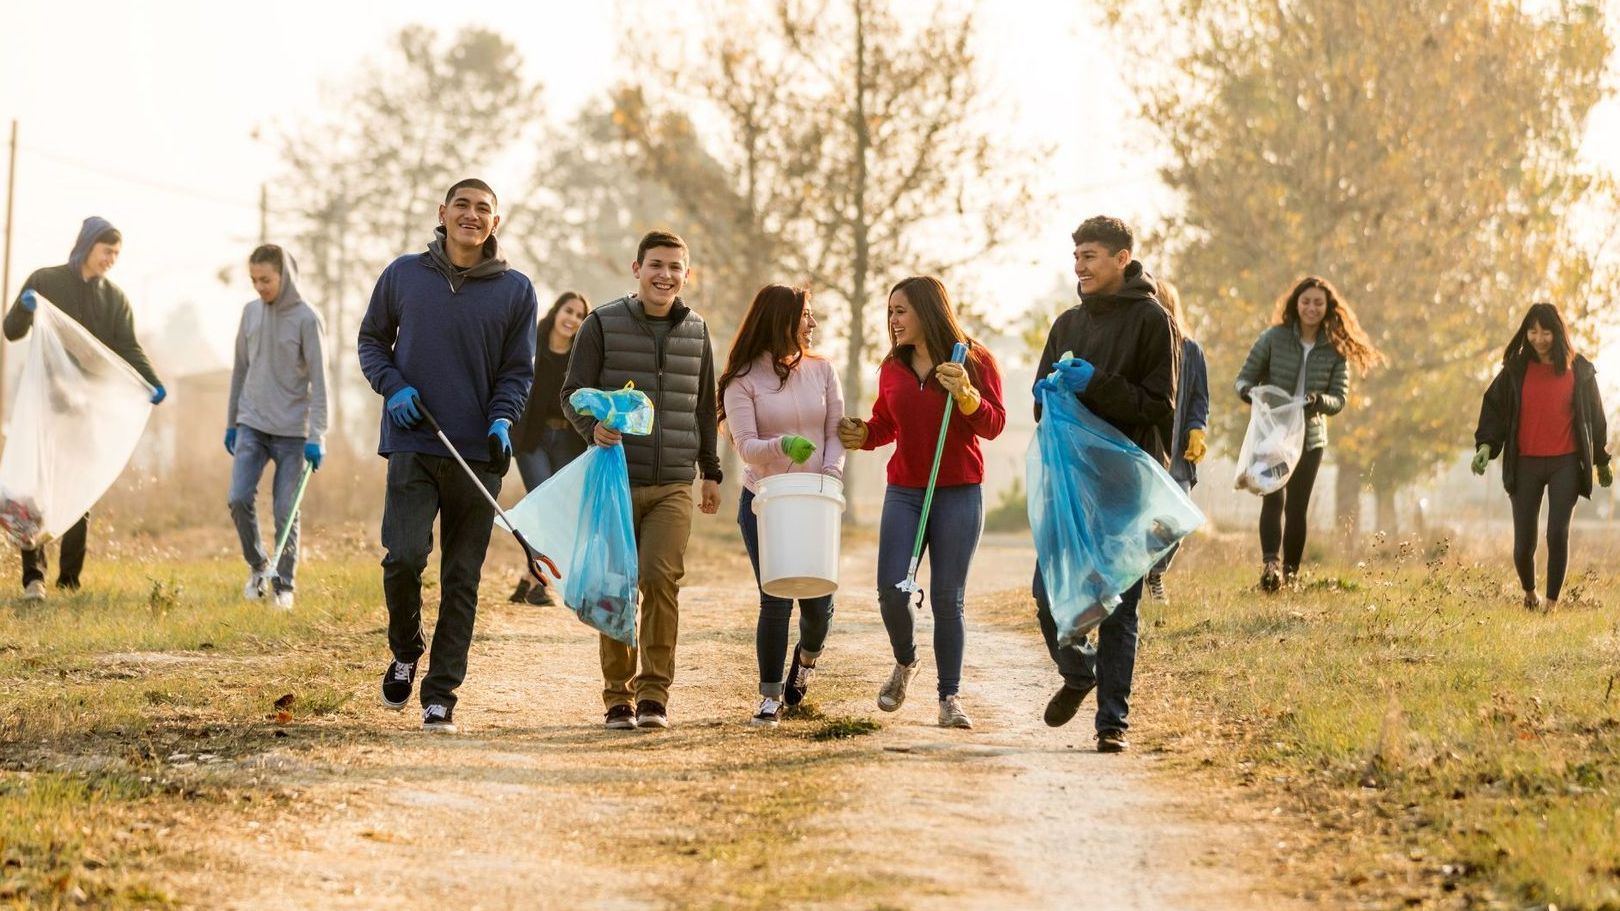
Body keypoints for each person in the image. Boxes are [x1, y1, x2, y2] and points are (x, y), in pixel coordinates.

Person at [357, 179, 538, 734]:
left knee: (462, 577)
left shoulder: (515, 290)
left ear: (495, 223)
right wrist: (393, 386)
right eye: (462, 205)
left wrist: (503, 417)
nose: (471, 215)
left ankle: (441, 694)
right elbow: (371, 341)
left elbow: (518, 370)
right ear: (442, 213)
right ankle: (406, 650)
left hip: (478, 454)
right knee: (405, 557)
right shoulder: (404, 275)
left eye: (483, 208)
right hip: (413, 442)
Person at [561, 230, 722, 731]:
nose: (665, 275)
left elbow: (702, 407)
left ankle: (653, 695)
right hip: (614, 479)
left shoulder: (697, 330)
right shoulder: (602, 324)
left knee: (659, 579)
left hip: (673, 482)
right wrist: (594, 427)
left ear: (686, 274)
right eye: (656, 265)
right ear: (637, 269)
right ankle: (617, 697)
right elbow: (571, 394)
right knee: (616, 586)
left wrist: (710, 472)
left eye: (675, 267)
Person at [1030, 216, 1173, 753]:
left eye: (1090, 256)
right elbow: (1040, 403)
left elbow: (1160, 406)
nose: (1080, 266)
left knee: (1119, 605)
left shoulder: (1153, 322)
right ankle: (1078, 671)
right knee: (1048, 595)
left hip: (1127, 483)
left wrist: (1099, 384)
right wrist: (1047, 394)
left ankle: (1112, 723)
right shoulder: (1066, 324)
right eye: (1077, 257)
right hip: (1071, 484)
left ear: (1122, 258)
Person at [837, 276, 1005, 730]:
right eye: (890, 311)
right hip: (906, 491)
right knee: (892, 592)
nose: (892, 321)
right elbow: (885, 424)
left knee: (949, 600)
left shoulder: (974, 359)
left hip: (959, 492)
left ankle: (949, 697)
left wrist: (968, 397)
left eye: (901, 311)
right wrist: (863, 435)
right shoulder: (892, 367)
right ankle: (905, 662)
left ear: (929, 310)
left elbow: (994, 425)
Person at [3, 217, 166, 601]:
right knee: (34, 489)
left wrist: (151, 380)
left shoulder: (115, 299)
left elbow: (127, 346)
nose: (112, 259)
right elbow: (11, 331)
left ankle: (70, 580)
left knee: (79, 487)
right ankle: (33, 579)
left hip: (85, 407)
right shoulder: (45, 281)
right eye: (107, 251)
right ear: (87, 246)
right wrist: (27, 309)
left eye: (117, 253)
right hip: (44, 403)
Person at [719, 284, 845, 727]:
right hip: (766, 503)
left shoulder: (823, 370)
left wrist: (829, 476)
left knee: (818, 603)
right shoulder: (742, 381)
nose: (812, 324)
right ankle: (769, 697)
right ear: (781, 319)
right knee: (775, 598)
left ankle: (806, 663)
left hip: (817, 501)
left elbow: (834, 432)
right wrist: (781, 445)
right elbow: (747, 446)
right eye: (805, 315)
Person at [1236, 275, 1382, 591]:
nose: (1311, 308)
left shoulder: (1335, 350)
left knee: (1297, 506)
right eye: (1306, 301)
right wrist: (1250, 393)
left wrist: (1318, 402)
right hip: (1273, 433)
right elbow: (1243, 378)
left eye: (1318, 302)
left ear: (1328, 307)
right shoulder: (1273, 338)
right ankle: (1270, 566)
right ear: (1296, 304)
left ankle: (1291, 574)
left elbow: (1339, 398)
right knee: (1272, 498)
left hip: (1309, 438)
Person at [1472, 302, 1611, 610]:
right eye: (1532, 331)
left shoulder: (1580, 370)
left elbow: (1595, 419)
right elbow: (1494, 409)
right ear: (1526, 333)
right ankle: (1529, 594)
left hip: (1566, 462)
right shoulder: (1515, 371)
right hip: (1525, 463)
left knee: (1557, 533)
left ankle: (1551, 603)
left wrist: (1601, 459)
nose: (1539, 338)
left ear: (1557, 333)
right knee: (1524, 543)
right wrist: (1485, 446)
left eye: (1545, 331)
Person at [225, 244, 329, 611]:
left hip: (293, 433)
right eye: (254, 280)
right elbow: (239, 369)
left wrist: (317, 435)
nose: (259, 287)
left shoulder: (307, 318)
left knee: (286, 509)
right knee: (238, 497)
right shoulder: (250, 313)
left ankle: (284, 585)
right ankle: (258, 567)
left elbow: (320, 380)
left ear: (284, 276)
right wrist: (232, 423)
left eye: (266, 280)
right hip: (252, 423)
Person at [507, 291, 591, 607]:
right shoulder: (532, 344)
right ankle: (541, 584)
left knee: (557, 511)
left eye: (580, 315)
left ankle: (530, 579)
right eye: (568, 311)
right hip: (533, 441)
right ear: (556, 312)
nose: (573, 319)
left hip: (568, 441)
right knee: (544, 507)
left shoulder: (581, 355)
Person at [1145, 278, 1208, 603]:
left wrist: (1197, 428)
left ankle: (1154, 571)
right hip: (1146, 448)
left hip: (1179, 453)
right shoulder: (1141, 347)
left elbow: (1199, 398)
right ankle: (1133, 578)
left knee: (1177, 520)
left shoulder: (1191, 350)